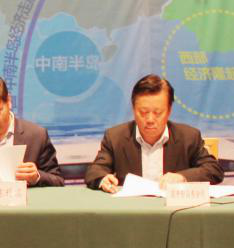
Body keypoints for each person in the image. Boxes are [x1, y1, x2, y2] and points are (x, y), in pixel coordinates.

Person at [86, 74, 223, 192]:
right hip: (132, 209)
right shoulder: (115, 137)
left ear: (169, 111)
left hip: (174, 209)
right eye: (143, 112)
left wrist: (182, 177)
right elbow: (95, 171)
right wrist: (103, 179)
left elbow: (213, 170)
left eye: (157, 113)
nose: (150, 120)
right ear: (133, 109)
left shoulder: (188, 137)